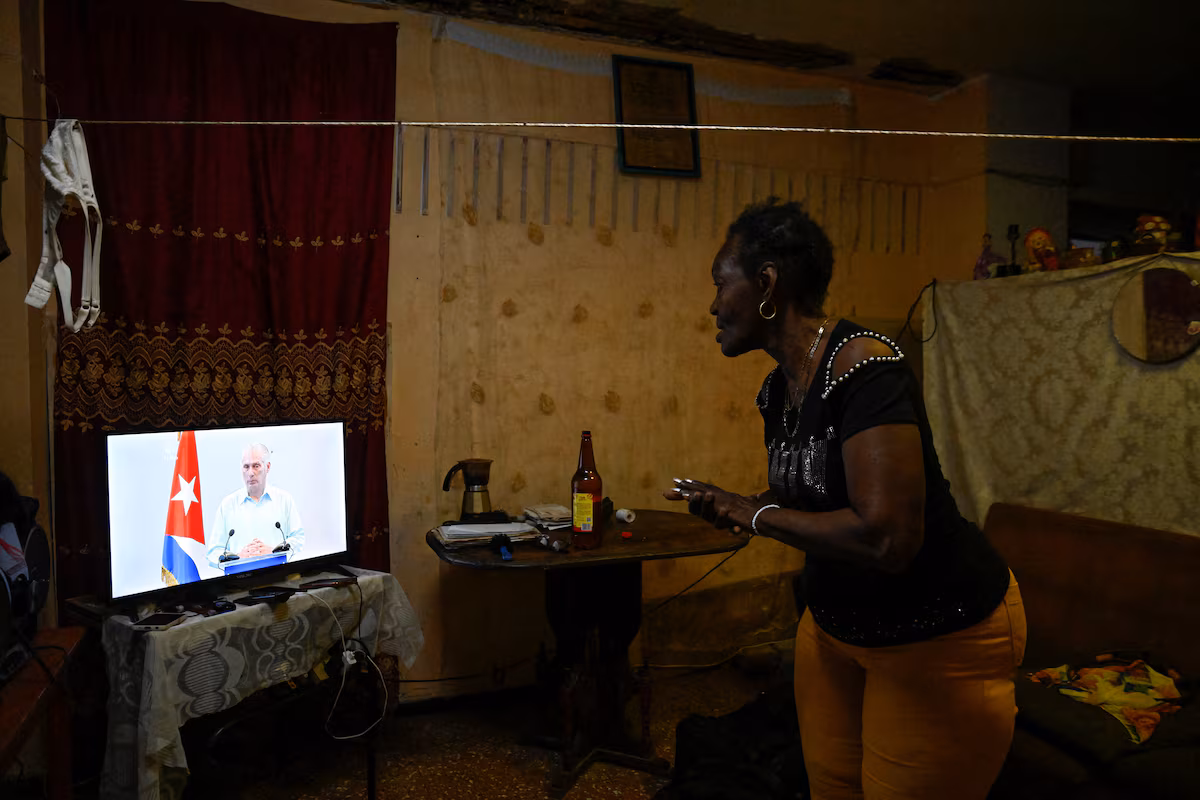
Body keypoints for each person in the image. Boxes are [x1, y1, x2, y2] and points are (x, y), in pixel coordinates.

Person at [665, 198, 1026, 800]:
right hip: (835, 628)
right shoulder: (777, 390)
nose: (712, 305)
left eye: (719, 283)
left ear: (767, 283)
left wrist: (756, 514)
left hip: (935, 631)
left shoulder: (865, 365)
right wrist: (736, 503)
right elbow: (812, 494)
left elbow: (886, 538)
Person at [206, 443, 305, 568]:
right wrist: (238, 557)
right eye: (246, 467)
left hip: (278, 574)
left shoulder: (284, 500)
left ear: (267, 467)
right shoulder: (227, 505)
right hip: (240, 577)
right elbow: (213, 552)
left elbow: (298, 539)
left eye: (256, 466)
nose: (250, 473)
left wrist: (274, 553)